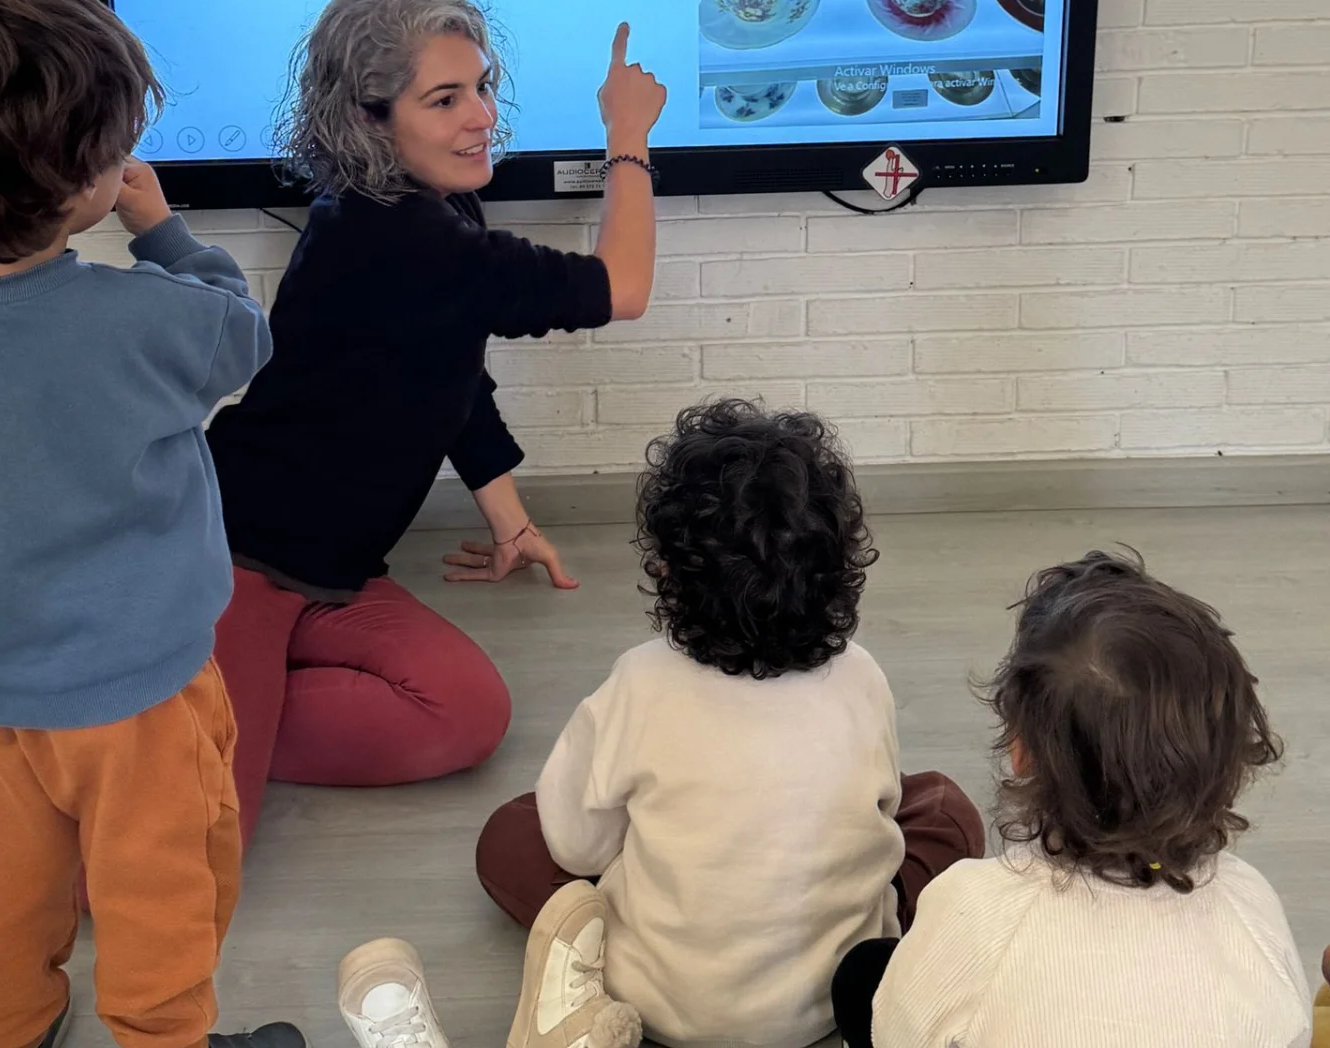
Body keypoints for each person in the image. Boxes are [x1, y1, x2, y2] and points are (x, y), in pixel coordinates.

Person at [0, 0, 300, 1048]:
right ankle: (165, 1037)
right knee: (164, 888)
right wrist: (162, 228)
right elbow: (243, 335)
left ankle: (4, 1024)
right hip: (140, 694)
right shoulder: (141, 316)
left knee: (9, 882)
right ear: (85, 183)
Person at [203, 0, 662, 848]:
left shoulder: (418, 208)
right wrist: (627, 138)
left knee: (466, 715)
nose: (482, 116)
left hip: (331, 573)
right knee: (195, 842)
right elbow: (623, 288)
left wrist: (510, 521)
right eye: (445, 99)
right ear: (369, 120)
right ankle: (190, 726)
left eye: (482, 87)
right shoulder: (395, 236)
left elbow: (449, 377)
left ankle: (202, 716)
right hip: (238, 562)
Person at [464, 400, 984, 1048]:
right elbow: (882, 809)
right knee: (944, 808)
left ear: (669, 573)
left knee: (515, 833)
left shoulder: (640, 681)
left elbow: (578, 849)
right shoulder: (863, 675)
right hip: (830, 993)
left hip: (654, 997)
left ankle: (583, 966)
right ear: (839, 570)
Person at [855, 551, 1309, 1048]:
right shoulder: (1253, 905)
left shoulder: (971, 910)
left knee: (862, 974)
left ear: (1020, 749)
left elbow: (898, 1033)